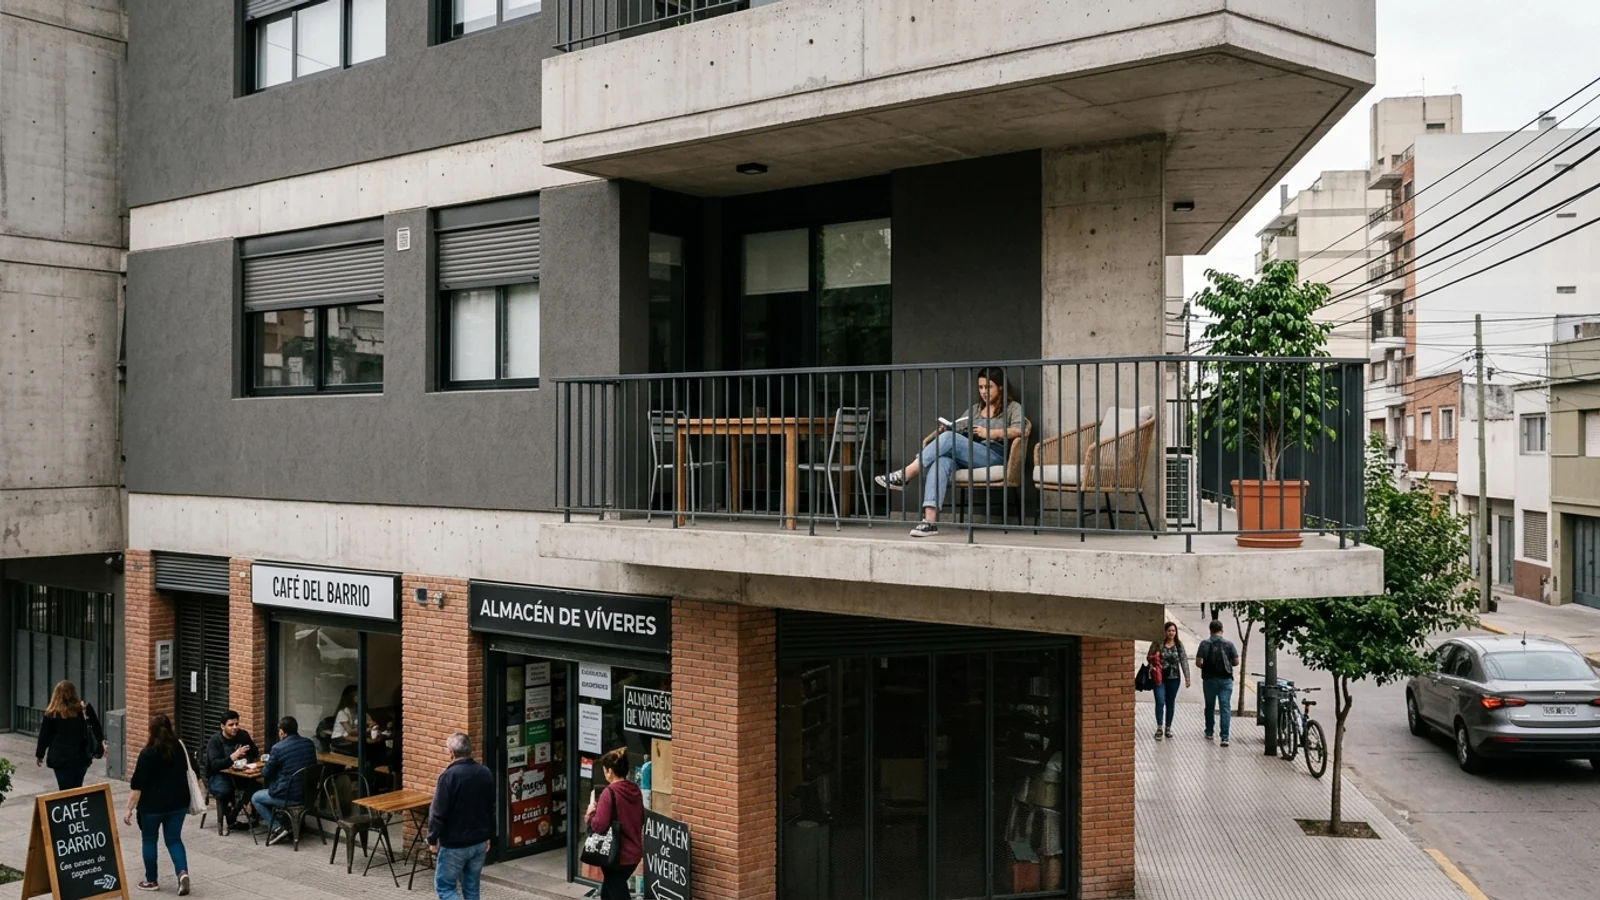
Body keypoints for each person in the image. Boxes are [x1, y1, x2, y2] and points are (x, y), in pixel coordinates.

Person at [875, 367, 1025, 538]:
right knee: (942, 460)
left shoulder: (1012, 408)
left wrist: (992, 433)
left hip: (993, 455)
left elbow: (1021, 430)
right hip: (969, 453)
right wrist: (948, 428)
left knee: (948, 438)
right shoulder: (976, 409)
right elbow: (959, 427)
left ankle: (906, 474)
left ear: (1000, 387)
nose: (984, 391)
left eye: (988, 387)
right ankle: (929, 522)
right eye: (981, 387)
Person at [123, 713, 192, 895]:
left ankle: (151, 880)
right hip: (178, 802)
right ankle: (182, 872)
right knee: (174, 839)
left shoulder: (147, 753)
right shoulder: (178, 747)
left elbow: (137, 785)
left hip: (152, 806)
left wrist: (129, 809)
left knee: (149, 841)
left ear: (151, 731)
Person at [428, 733, 495, 900]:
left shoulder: (448, 777)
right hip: (479, 841)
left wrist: (432, 838)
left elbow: (438, 812)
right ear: (470, 750)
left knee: (445, 887)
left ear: (450, 753)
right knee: (472, 887)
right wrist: (488, 835)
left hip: (454, 844)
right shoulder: (485, 772)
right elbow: (490, 807)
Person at [585, 747, 644, 900]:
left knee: (617, 892)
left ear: (610, 771)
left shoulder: (609, 793)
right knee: (608, 891)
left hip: (615, 855)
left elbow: (599, 825)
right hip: (633, 852)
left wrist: (590, 814)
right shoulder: (635, 790)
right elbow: (641, 817)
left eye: (604, 770)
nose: (604, 774)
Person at [251, 716, 317, 845]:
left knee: (256, 797)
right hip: (309, 794)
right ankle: (285, 824)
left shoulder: (278, 748)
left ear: (281, 732)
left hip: (290, 796)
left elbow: (265, 773)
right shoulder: (309, 743)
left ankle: (278, 827)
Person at [34, 679, 105, 790]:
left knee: (65, 790)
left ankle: (70, 805)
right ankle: (77, 804)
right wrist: (101, 742)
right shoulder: (83, 709)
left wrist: (40, 754)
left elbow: (45, 736)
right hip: (81, 756)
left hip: (60, 759)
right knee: (77, 786)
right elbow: (96, 726)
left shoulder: (52, 714)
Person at [203, 709, 258, 834]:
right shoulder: (215, 741)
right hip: (217, 776)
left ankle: (234, 814)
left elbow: (254, 752)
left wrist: (250, 750)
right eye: (231, 725)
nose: (235, 728)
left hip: (238, 773)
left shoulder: (243, 735)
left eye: (237, 724)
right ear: (222, 726)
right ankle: (229, 820)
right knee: (225, 790)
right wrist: (233, 756)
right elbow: (215, 765)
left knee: (255, 785)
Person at [1195, 620, 1240, 747]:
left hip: (1209, 680)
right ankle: (1224, 737)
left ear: (1210, 630)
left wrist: (1207, 667)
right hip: (1226, 680)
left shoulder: (1204, 644)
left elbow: (1198, 662)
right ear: (1222, 630)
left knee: (1210, 706)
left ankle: (1209, 731)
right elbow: (1236, 662)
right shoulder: (1229, 644)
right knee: (1225, 708)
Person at [1150, 621, 1190, 740]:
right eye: (1169, 630)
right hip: (1159, 678)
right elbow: (1150, 656)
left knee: (1170, 702)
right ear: (1165, 631)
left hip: (1174, 678)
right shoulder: (1158, 643)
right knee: (1160, 701)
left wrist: (1187, 677)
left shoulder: (1179, 645)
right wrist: (1153, 664)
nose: (1171, 633)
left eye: (1173, 630)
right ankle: (1159, 727)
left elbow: (1183, 660)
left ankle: (1168, 727)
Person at [331, 685, 388, 763]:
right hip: (340, 740)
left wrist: (372, 724)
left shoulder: (358, 711)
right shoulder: (342, 713)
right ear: (354, 698)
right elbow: (350, 731)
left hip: (352, 737)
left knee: (379, 743)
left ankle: (379, 767)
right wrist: (367, 730)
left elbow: (370, 721)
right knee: (365, 745)